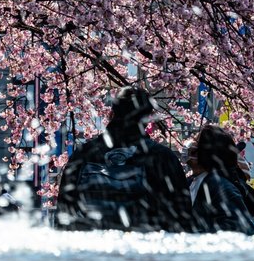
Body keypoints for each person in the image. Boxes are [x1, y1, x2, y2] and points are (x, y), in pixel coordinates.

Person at [55, 87, 193, 232]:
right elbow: (181, 218)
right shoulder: (162, 158)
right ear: (148, 118)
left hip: (91, 247)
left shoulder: (84, 155)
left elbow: (64, 213)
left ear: (111, 113)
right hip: (143, 249)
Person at [190, 125, 254, 234]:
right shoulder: (194, 182)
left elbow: (234, 229)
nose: (192, 146)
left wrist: (194, 236)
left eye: (197, 143)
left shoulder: (219, 187)